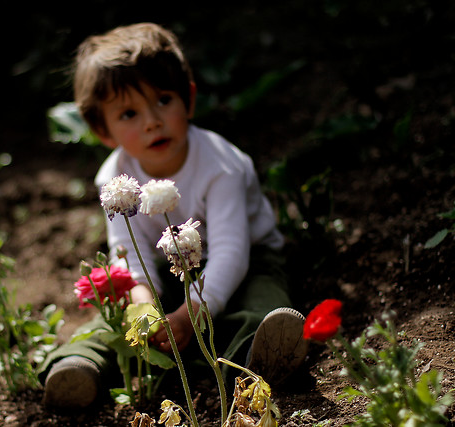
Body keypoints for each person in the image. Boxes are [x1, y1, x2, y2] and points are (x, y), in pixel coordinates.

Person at [39, 22, 307, 409]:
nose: (151, 121)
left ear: (189, 100)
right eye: (129, 113)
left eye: (164, 100)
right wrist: (145, 306)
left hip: (248, 259)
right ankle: (79, 366)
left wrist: (190, 313)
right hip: (167, 268)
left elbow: (232, 252)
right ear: (102, 129)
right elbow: (129, 254)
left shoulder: (219, 165)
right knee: (119, 320)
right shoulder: (112, 178)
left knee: (259, 303)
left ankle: (256, 361)